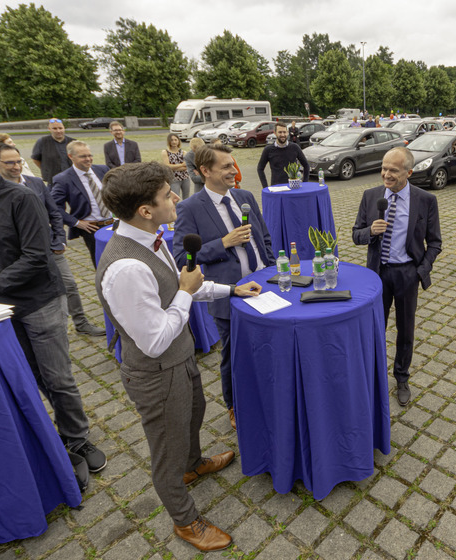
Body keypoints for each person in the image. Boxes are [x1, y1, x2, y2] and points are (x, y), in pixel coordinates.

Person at [96, 161, 261, 551]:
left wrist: (230, 291)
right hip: (156, 370)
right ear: (145, 210)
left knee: (195, 413)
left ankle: (194, 464)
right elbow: (154, 340)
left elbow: (180, 289)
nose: (175, 198)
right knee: (165, 450)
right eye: (167, 195)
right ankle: (185, 520)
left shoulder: (152, 239)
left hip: (180, 357)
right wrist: (187, 292)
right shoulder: (126, 268)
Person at [0, 155, 106, 477]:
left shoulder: (21, 197)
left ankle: (77, 437)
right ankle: (49, 437)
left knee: (57, 378)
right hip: (4, 311)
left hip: (40, 301)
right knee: (30, 376)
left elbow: (35, 255)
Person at [173, 144, 274, 430]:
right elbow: (182, 257)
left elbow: (263, 236)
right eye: (226, 167)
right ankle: (233, 404)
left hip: (263, 285)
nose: (234, 171)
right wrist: (224, 243)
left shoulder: (244, 196)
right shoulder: (189, 208)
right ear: (205, 171)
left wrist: (269, 267)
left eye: (234, 164)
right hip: (228, 294)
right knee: (233, 354)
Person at [352, 147, 442, 406]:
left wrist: (419, 272)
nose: (385, 174)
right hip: (376, 275)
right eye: (383, 168)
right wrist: (370, 231)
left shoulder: (425, 200)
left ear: (408, 172)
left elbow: (435, 243)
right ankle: (372, 373)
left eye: (393, 170)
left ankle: (401, 376)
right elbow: (355, 235)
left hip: (406, 274)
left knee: (405, 331)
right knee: (374, 327)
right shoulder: (371, 197)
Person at [0, 144, 104, 336]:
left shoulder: (35, 183)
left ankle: (80, 322)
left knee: (69, 286)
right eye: (9, 163)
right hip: (17, 256)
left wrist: (60, 240)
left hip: (49, 249)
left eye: (18, 161)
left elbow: (54, 213)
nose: (15, 166)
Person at [51, 141, 113, 267]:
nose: (88, 159)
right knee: (102, 264)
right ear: (70, 156)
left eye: (90, 155)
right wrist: (76, 223)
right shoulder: (63, 179)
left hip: (112, 224)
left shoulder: (102, 170)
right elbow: (54, 207)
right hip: (92, 229)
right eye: (83, 156)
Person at [256, 122, 310, 188]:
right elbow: (260, 168)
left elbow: (306, 165)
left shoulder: (295, 147)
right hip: (276, 188)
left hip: (293, 188)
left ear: (287, 132)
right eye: (280, 132)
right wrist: (265, 187)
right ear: (275, 133)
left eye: (284, 132)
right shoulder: (268, 150)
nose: (282, 135)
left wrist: (305, 183)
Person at [31, 118, 75, 185]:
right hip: (53, 181)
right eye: (54, 128)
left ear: (64, 128)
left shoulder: (73, 142)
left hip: (71, 179)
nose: (58, 131)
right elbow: (35, 158)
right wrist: (46, 169)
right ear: (49, 129)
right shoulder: (43, 142)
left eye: (60, 128)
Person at [161, 134, 191, 198]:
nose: (174, 142)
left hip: (185, 178)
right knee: (175, 198)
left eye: (175, 140)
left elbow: (186, 167)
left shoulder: (184, 152)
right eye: (172, 140)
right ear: (169, 141)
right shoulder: (165, 152)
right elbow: (167, 166)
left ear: (178, 141)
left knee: (186, 198)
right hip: (174, 179)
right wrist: (181, 165)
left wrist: (173, 167)